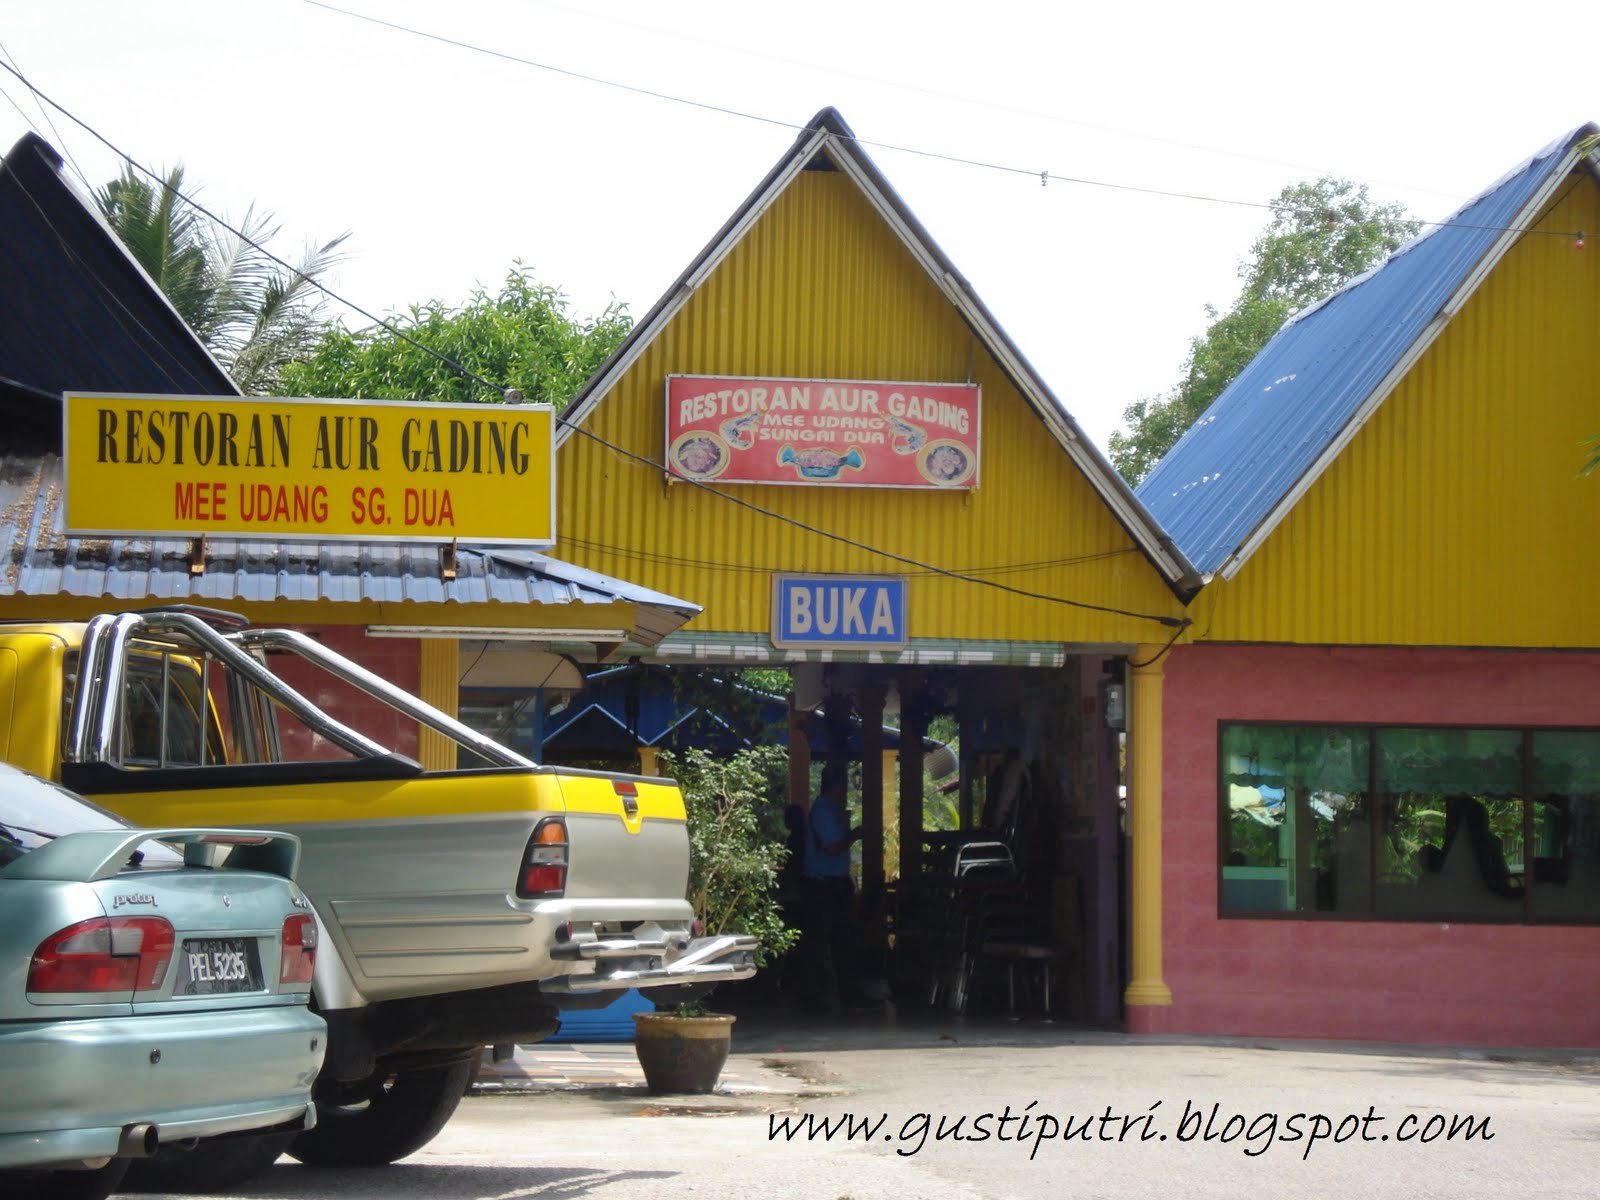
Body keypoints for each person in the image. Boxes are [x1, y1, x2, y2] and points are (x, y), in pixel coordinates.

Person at [800, 765, 870, 1010]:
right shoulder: (823, 811)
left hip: (835, 883)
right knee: (822, 942)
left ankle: (848, 994)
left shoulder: (831, 810)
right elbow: (832, 847)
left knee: (843, 940)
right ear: (837, 786)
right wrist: (855, 835)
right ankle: (812, 996)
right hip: (823, 885)